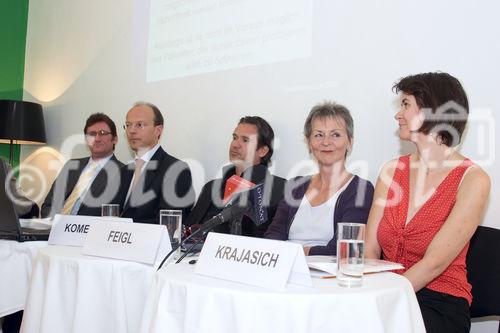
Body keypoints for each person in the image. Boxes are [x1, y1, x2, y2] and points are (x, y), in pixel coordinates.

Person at [364, 72, 490, 333]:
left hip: (439, 303)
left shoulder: (473, 179)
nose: (398, 114)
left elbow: (435, 263)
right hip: (386, 293)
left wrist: (386, 298)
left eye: (406, 104)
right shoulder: (391, 171)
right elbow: (370, 248)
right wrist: (371, 296)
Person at [265, 102, 374, 255]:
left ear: (350, 142)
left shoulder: (360, 190)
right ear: (309, 143)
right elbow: (273, 235)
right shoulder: (295, 185)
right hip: (286, 270)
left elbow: (344, 250)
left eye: (335, 134)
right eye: (318, 135)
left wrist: (295, 252)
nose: (326, 142)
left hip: (328, 275)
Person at [185, 116, 286, 237]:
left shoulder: (279, 188)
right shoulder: (211, 187)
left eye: (245, 140)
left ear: (262, 151)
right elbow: (187, 231)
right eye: (234, 137)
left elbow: (270, 237)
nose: (235, 144)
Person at [117, 102, 195, 224]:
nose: (131, 131)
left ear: (158, 130)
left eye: (139, 125)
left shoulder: (175, 170)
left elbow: (169, 223)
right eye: (128, 125)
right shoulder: (122, 172)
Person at [41, 113, 124, 217]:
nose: (97, 139)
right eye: (92, 134)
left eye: (102, 133)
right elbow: (48, 205)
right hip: (55, 228)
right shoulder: (71, 165)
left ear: (115, 139)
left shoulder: (123, 173)